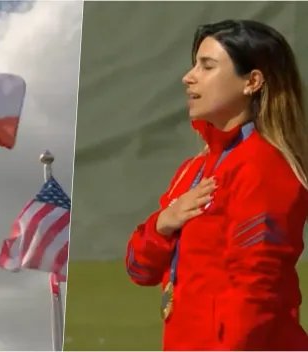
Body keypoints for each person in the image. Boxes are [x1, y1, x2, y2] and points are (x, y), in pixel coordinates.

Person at [125, 19, 308, 351]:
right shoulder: (193, 169)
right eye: (194, 64)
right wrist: (162, 224)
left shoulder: (264, 167)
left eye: (207, 66)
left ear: (252, 81)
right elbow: (139, 269)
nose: (188, 76)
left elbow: (256, 292)